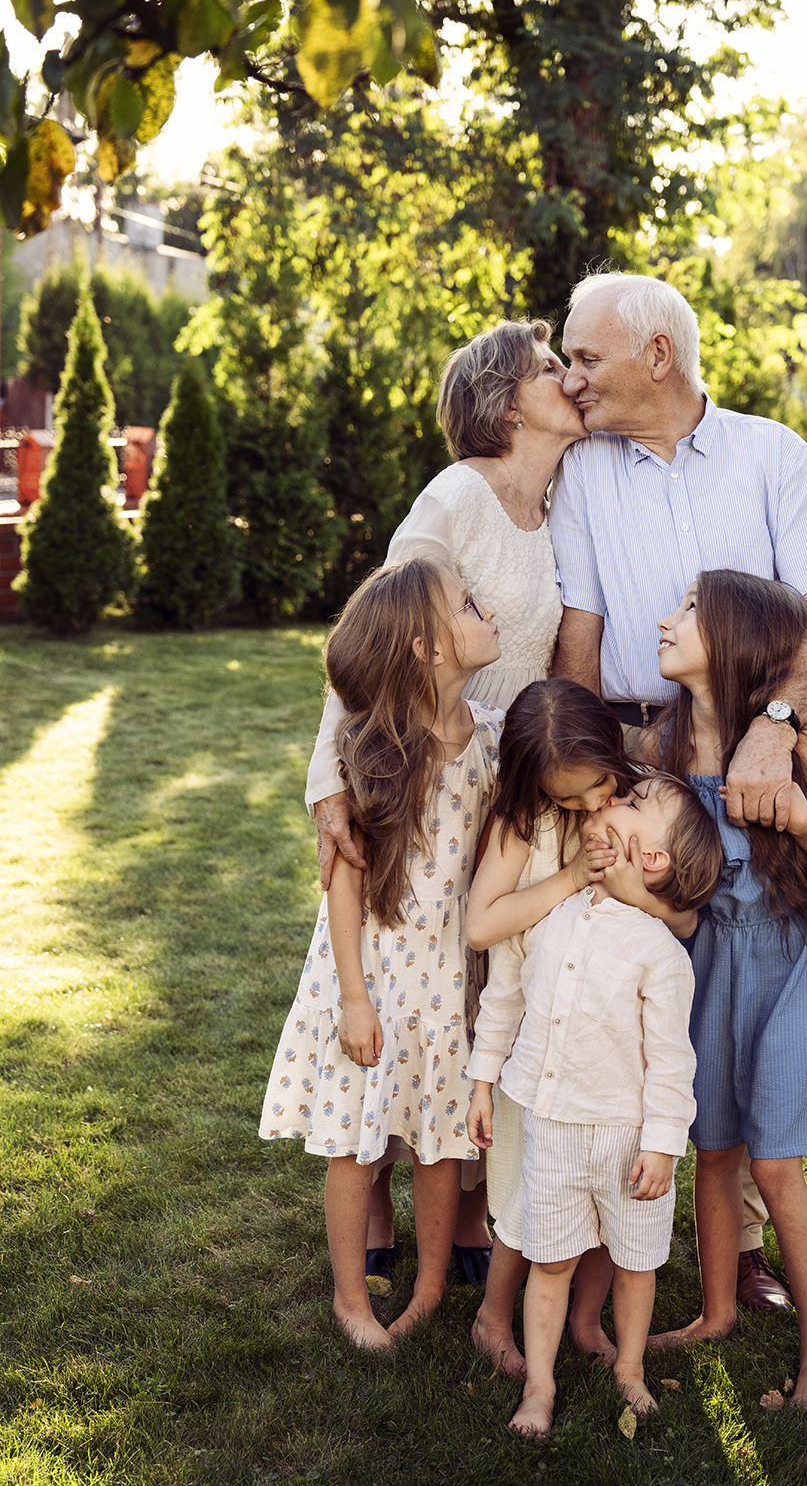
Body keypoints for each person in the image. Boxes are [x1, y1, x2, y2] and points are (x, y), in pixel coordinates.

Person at [548, 269, 807, 1310]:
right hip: (643, 751)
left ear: (657, 354)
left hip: (758, 740)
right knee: (648, 989)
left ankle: (747, 1250)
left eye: (586, 356)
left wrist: (775, 732)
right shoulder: (584, 469)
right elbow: (583, 624)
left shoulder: (773, 454)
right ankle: (597, 1233)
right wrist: (594, 772)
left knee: (749, 976)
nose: (571, 376)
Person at [304, 318, 586, 1280]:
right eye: (551, 367)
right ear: (506, 401)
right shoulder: (456, 496)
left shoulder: (562, 498)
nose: (569, 377)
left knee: (474, 988)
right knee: (400, 979)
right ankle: (374, 1197)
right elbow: (378, 630)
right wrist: (329, 778)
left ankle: (464, 1211)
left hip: (498, 775)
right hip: (418, 771)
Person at [258, 559, 504, 1348]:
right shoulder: (372, 750)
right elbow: (345, 882)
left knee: (440, 1140)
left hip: (448, 980)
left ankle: (429, 1290)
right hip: (371, 975)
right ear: (427, 648)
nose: (487, 610)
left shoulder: (493, 740)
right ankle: (351, 1302)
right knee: (352, 1142)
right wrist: (355, 999)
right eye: (469, 605)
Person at [639, 569, 807, 1406]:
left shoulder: (799, 742)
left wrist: (801, 819)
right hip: (705, 966)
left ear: (736, 641)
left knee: (773, 1166)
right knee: (714, 1148)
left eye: (689, 609)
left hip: (788, 964)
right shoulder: (663, 746)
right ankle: (717, 1313)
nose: (666, 621)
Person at [467, 774, 723, 1436]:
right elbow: (505, 997)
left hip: (628, 1141)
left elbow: (672, 1062)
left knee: (635, 1262)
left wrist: (663, 1144)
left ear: (652, 857)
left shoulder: (660, 953)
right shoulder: (552, 910)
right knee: (550, 1260)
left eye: (632, 804)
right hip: (553, 1129)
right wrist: (482, 1081)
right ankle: (540, 1386)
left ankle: (630, 1369)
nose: (612, 801)